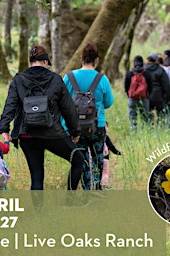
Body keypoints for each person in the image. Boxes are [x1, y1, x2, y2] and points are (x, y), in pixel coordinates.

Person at [0, 45, 84, 190]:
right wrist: (75, 131)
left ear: (30, 62)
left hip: (27, 135)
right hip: (52, 134)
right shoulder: (56, 80)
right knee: (78, 159)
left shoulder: (18, 80)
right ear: (45, 62)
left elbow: (10, 105)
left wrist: (4, 129)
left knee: (36, 177)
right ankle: (70, 201)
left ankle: (38, 213)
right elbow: (68, 108)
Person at [63, 43, 114, 190]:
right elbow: (109, 102)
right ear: (96, 60)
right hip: (97, 126)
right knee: (98, 158)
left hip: (76, 127)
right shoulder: (102, 79)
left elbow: (63, 101)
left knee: (82, 159)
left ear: (81, 58)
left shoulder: (69, 77)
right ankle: (97, 188)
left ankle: (86, 189)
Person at [124, 55, 152, 130]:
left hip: (132, 99)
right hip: (144, 98)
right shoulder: (147, 74)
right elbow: (150, 87)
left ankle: (133, 132)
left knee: (132, 117)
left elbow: (126, 87)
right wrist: (147, 96)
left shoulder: (129, 73)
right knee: (145, 118)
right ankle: (144, 132)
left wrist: (129, 95)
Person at [145, 52, 170, 125]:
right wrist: (169, 97)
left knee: (148, 114)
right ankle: (160, 129)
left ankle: (150, 128)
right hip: (159, 97)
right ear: (156, 60)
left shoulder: (144, 70)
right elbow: (166, 85)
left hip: (147, 95)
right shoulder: (161, 70)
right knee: (161, 115)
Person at [100, 122, 121, 188]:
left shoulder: (94, 135)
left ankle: (97, 184)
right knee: (105, 171)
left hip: (95, 157)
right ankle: (104, 184)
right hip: (105, 157)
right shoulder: (105, 136)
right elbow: (111, 147)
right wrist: (118, 152)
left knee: (96, 171)